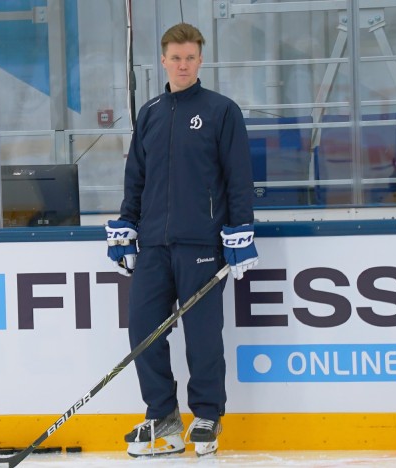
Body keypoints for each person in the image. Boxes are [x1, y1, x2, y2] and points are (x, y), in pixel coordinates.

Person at [105, 23, 258, 457]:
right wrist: (127, 225)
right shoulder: (151, 111)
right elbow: (136, 177)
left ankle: (206, 414)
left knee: (203, 335)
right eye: (176, 58)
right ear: (163, 60)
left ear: (201, 60)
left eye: (190, 57)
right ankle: (164, 419)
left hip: (202, 245)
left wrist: (240, 230)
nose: (183, 65)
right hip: (154, 245)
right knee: (143, 331)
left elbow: (238, 178)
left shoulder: (221, 110)